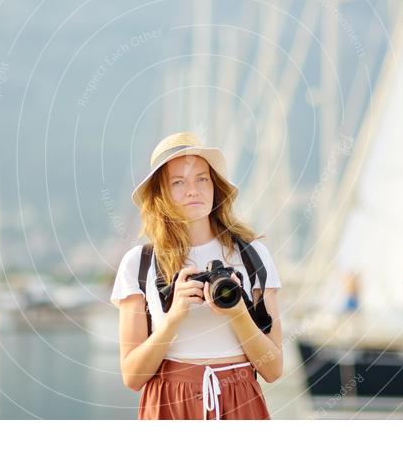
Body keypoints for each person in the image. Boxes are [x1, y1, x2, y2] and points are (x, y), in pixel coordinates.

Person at [110, 131, 284, 420]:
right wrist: (173, 317)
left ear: (215, 186)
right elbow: (133, 376)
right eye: (178, 182)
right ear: (160, 194)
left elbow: (273, 369)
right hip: (168, 402)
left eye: (202, 178)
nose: (193, 190)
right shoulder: (139, 264)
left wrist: (238, 313)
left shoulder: (253, 256)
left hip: (240, 398)